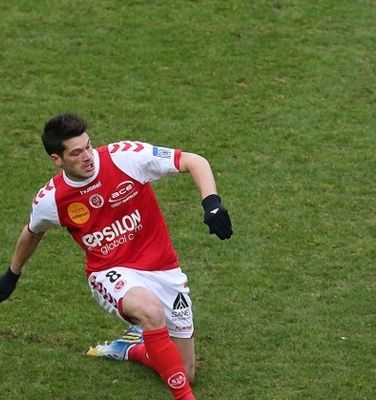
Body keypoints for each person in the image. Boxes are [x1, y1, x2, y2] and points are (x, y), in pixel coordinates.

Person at [0, 113, 233, 400]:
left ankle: (131, 348)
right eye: (76, 152)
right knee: (151, 311)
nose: (88, 156)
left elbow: (193, 161)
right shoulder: (52, 199)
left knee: (185, 372)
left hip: (162, 267)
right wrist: (12, 274)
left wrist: (212, 204)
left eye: (88, 146)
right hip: (109, 271)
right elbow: (32, 232)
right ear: (57, 159)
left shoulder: (125, 159)